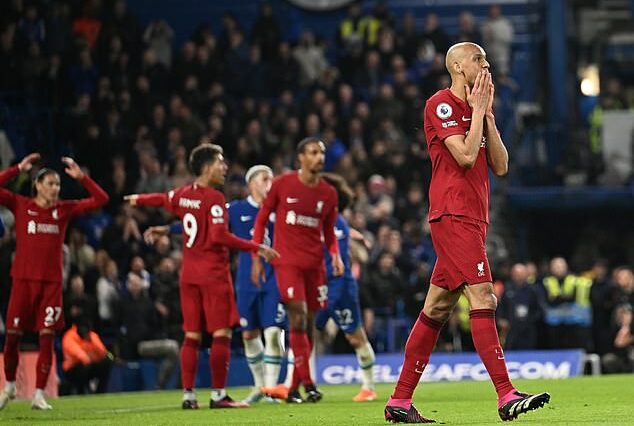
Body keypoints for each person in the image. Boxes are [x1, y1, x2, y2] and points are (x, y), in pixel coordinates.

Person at [384, 43, 550, 423]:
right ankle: (506, 394)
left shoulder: (480, 110)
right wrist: (476, 113)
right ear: (458, 66)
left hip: (474, 216)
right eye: (479, 59)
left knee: (436, 308)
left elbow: (501, 165)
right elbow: (464, 156)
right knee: (484, 296)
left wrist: (487, 117)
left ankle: (400, 401)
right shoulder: (440, 104)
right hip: (453, 213)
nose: (486, 64)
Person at [124, 143, 278, 409]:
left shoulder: (184, 194)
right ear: (207, 167)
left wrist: (140, 199)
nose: (225, 167)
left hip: (189, 276)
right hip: (213, 275)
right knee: (221, 334)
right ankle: (219, 395)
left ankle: (188, 395)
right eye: (220, 162)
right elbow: (218, 235)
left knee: (192, 336)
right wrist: (257, 247)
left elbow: (163, 199)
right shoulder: (214, 198)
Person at [0, 153, 109, 410]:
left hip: (51, 285)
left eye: (58, 184)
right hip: (23, 282)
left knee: (46, 338)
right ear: (37, 185)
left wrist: (82, 178)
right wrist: (17, 169)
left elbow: (102, 199)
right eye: (50, 183)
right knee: (12, 338)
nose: (55, 189)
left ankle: (38, 394)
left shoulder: (64, 210)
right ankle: (10, 387)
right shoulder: (21, 205)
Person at [252, 137, 343, 403]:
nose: (319, 157)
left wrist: (335, 255)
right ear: (301, 157)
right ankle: (310, 383)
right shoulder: (282, 184)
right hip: (287, 263)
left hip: (315, 265)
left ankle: (293, 386)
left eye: (322, 153)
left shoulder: (328, 193)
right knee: (298, 317)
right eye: (313, 153)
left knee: (310, 323)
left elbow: (329, 231)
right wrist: (257, 254)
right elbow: (261, 220)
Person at [314, 173, 377, 402]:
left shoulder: (336, 222)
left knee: (355, 336)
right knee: (305, 334)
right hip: (321, 284)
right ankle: (303, 384)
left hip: (340, 288)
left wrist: (327, 307)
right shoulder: (320, 220)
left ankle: (369, 386)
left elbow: (339, 269)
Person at [61, 320, 112, 395]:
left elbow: (102, 352)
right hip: (73, 369)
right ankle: (80, 391)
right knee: (84, 367)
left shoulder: (92, 335)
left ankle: (100, 392)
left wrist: (91, 341)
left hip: (89, 365)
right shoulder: (69, 336)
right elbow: (77, 352)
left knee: (106, 363)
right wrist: (87, 359)